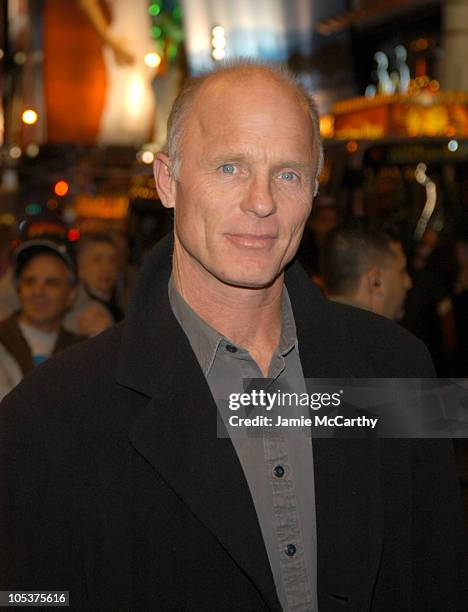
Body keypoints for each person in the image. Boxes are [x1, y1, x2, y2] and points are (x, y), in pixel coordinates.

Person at [1, 62, 466, 611]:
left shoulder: (399, 366)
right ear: (167, 180)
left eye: (289, 174)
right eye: (230, 167)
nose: (262, 201)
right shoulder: (48, 413)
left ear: (315, 191)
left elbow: (442, 575)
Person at [0, 240, 83, 401]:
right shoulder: (3, 339)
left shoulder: (82, 353)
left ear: (71, 294)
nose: (38, 291)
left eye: (51, 283)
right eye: (30, 281)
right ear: (20, 290)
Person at [321, 219, 412, 320]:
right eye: (402, 271)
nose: (408, 282)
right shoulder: (381, 335)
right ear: (375, 282)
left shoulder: (306, 327)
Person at [63, 234, 123, 337]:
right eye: (97, 260)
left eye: (112, 260)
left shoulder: (116, 303)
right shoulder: (84, 311)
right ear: (81, 269)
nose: (106, 268)